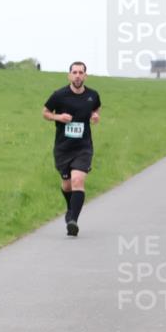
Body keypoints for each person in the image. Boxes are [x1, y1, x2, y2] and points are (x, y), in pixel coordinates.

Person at [42, 61, 102, 237]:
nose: (77, 75)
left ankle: (73, 221)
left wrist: (95, 115)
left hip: (83, 147)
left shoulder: (92, 95)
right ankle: (70, 209)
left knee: (77, 181)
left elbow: (96, 108)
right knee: (67, 185)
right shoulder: (59, 95)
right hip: (63, 148)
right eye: (74, 72)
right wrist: (59, 117)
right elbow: (45, 112)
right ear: (69, 75)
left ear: (85, 76)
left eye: (80, 72)